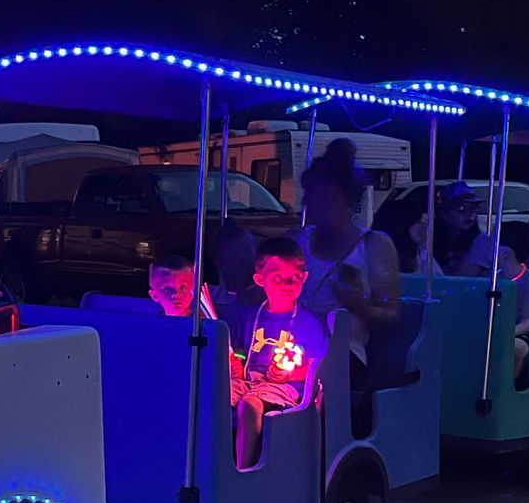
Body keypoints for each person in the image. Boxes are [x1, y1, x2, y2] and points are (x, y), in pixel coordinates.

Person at [223, 238, 328, 469]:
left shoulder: (308, 323)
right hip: (249, 380)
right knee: (213, 394)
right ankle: (210, 462)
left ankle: (243, 469)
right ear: (260, 280)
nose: (287, 284)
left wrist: (286, 374)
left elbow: (317, 368)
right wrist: (235, 362)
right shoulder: (252, 317)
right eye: (278, 278)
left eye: (295, 278)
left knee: (249, 405)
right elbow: (241, 352)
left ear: (305, 278)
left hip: (285, 388)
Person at [294, 139, 400, 352]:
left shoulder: (374, 244)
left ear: (335, 197)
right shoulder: (298, 241)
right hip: (295, 349)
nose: (304, 202)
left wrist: (359, 306)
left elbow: (392, 313)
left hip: (345, 356)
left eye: (311, 194)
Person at [416, 181, 505, 277]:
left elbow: (463, 280)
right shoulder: (428, 240)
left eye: (474, 208)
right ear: (443, 213)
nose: (471, 214)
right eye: (462, 208)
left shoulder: (482, 243)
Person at [497, 222, 529, 380]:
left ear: (506, 251)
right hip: (496, 331)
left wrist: (506, 333)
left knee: (514, 347)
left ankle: (509, 387)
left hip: (524, 335)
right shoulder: (494, 278)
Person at [148, 252, 199, 318]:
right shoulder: (151, 324)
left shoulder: (204, 324)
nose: (176, 294)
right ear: (154, 295)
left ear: (194, 291)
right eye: (167, 288)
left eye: (183, 287)